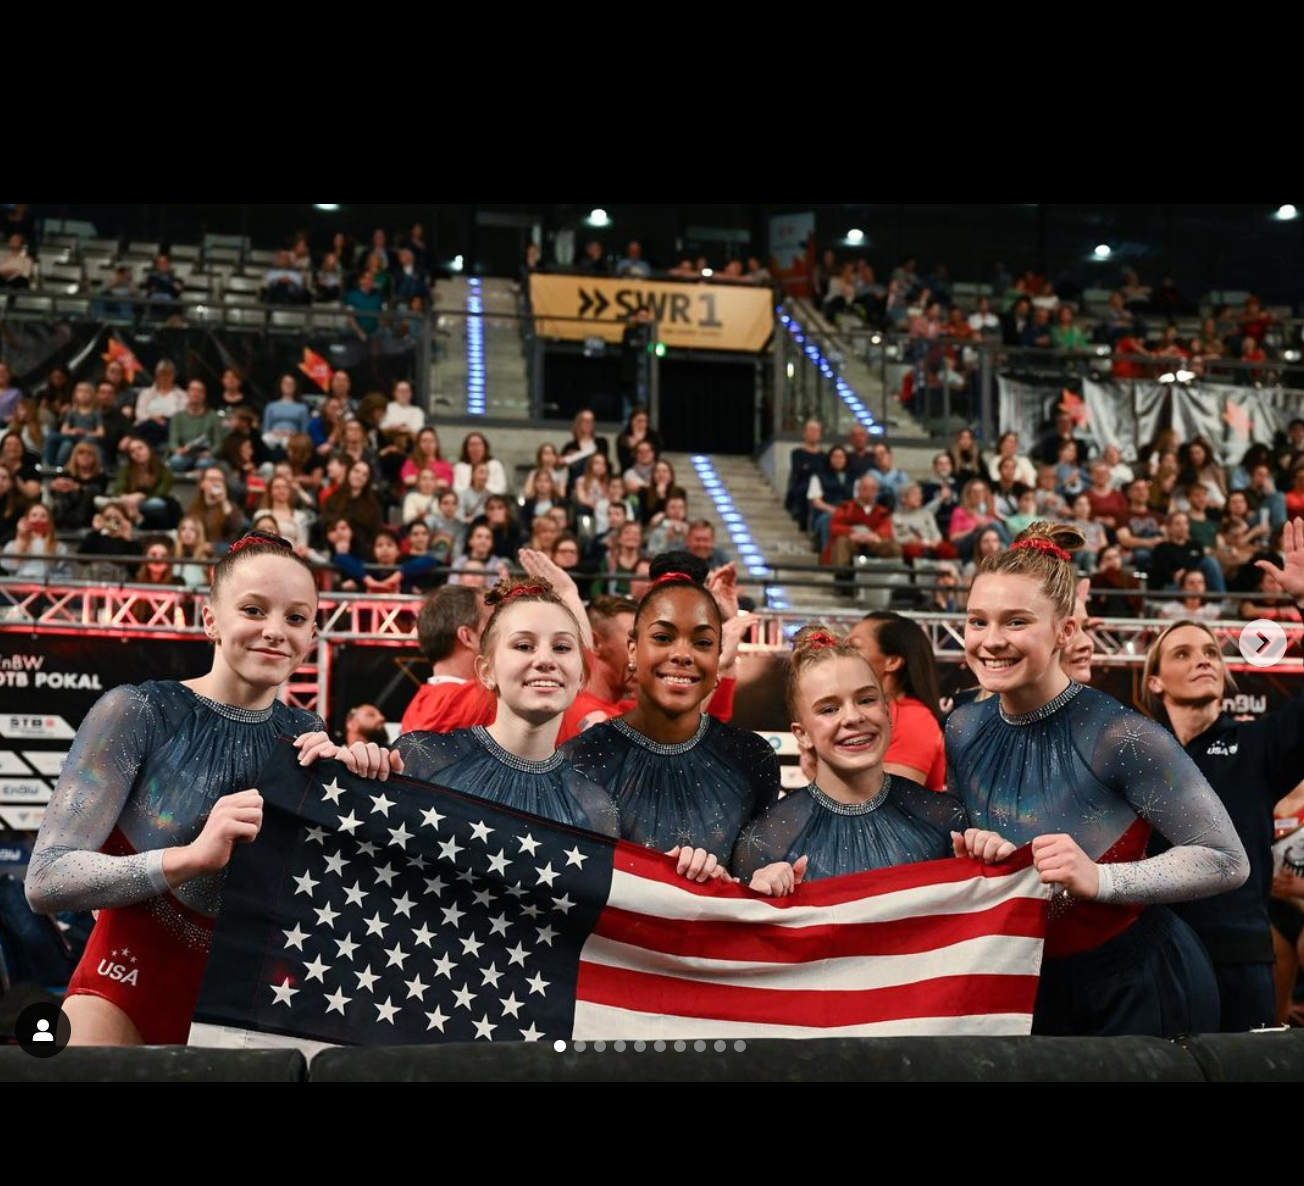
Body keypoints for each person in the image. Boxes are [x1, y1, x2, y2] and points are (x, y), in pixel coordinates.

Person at [23, 532, 336, 1046]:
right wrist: (189, 858)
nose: (275, 631)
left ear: (313, 634)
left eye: (296, 618)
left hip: (241, 1014)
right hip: (120, 993)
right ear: (210, 618)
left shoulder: (307, 735)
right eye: (254, 610)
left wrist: (365, 777)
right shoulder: (138, 711)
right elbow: (47, 879)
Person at [947, 520, 1249, 1037]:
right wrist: (974, 848)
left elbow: (1226, 860)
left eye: (1016, 622)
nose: (991, 641)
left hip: (1139, 987)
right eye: (978, 622)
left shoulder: (1119, 734)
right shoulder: (963, 726)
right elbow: (987, 836)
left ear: (1065, 631)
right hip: (1029, 980)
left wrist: (1102, 879)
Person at [1141, 528, 1304, 1031]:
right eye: (1183, 654)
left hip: (1242, 959)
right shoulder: (1131, 756)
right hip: (1153, 958)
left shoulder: (1258, 747)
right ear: (1154, 680)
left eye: (1210, 652)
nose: (1202, 660)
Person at [561, 552, 781, 881]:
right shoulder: (581, 760)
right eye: (663, 638)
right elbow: (570, 887)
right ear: (633, 650)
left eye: (702, 642)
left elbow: (756, 872)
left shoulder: (751, 758)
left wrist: (760, 881)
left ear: (718, 655)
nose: (682, 655)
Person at [732, 626, 1003, 892]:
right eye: (829, 708)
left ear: (886, 712)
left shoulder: (947, 820)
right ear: (802, 735)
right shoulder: (765, 841)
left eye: (866, 700)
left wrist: (990, 873)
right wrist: (760, 901)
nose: (853, 717)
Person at [394, 580, 619, 835]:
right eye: (523, 646)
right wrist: (351, 774)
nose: (545, 660)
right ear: (486, 671)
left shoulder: (596, 806)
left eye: (562, 647)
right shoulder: (422, 754)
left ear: (581, 676)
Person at [847, 612, 946, 789]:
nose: (842, 655)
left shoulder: (913, 719)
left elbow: (892, 807)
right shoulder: (870, 715)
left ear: (892, 661)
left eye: (854, 647)